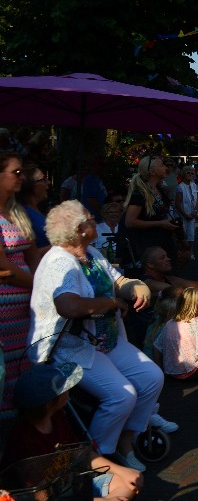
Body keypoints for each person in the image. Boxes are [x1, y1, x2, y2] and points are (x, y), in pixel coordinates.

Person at [28, 200, 159, 472]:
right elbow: (69, 306)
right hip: (70, 347)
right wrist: (111, 303)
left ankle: (126, 441)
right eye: (90, 217)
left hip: (104, 342)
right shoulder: (59, 262)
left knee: (151, 377)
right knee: (121, 395)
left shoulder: (92, 254)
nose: (95, 218)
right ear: (79, 229)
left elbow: (118, 281)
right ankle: (100, 458)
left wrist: (137, 286)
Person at [0, 362, 142, 499]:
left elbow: (81, 454)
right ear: (49, 404)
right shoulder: (23, 439)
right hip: (49, 495)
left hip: (70, 485)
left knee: (130, 482)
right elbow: (40, 496)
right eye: (64, 389)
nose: (69, 391)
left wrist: (122, 471)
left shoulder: (58, 417)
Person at [0, 153, 41, 419]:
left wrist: (43, 283)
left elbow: (33, 256)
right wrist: (41, 286)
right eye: (16, 172)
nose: (22, 177)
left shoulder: (17, 212)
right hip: (4, 314)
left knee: (24, 366)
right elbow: (4, 269)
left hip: (27, 310)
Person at [123, 155, 179, 271]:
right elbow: (130, 221)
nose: (166, 168)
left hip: (164, 242)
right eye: (162, 165)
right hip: (150, 247)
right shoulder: (140, 193)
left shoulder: (160, 190)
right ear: (152, 171)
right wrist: (160, 223)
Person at [152, 287, 198, 380]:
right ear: (193, 306)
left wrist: (160, 370)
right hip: (193, 372)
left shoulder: (170, 323)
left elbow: (156, 346)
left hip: (171, 373)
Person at [16, 163, 51, 249]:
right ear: (31, 186)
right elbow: (31, 254)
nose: (48, 182)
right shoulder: (23, 214)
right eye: (43, 179)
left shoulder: (35, 211)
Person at [174, 164, 198, 261]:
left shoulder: (194, 186)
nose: (190, 174)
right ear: (183, 174)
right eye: (188, 173)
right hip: (182, 215)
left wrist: (195, 211)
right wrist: (185, 214)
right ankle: (180, 252)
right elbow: (178, 203)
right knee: (182, 235)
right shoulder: (180, 187)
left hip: (191, 215)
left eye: (192, 173)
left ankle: (190, 252)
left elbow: (196, 200)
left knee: (191, 235)